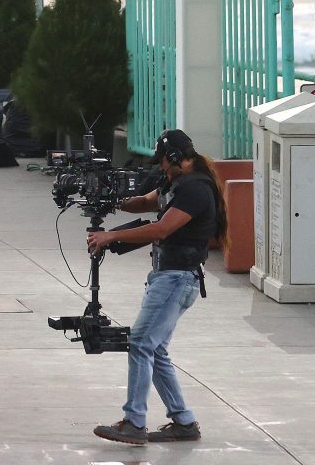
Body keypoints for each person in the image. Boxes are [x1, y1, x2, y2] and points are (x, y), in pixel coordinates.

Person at [89, 128, 228, 446]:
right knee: (155, 349)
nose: (161, 166)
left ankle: (134, 423)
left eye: (163, 161)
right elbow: (144, 203)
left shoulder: (195, 189)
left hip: (177, 279)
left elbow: (162, 229)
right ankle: (183, 422)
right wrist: (110, 198)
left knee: (140, 342)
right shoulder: (174, 183)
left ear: (177, 157)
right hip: (169, 278)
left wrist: (111, 236)